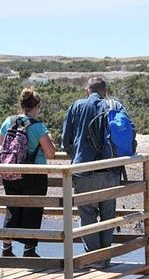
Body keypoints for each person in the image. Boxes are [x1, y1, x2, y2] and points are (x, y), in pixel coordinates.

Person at [61, 76, 132, 264]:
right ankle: (105, 259)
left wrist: (77, 152)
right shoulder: (115, 105)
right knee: (108, 216)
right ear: (105, 91)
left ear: (87, 91)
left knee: (88, 215)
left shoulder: (77, 106)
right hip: (111, 171)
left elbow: (65, 141)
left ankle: (94, 260)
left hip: (84, 171)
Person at [0, 88, 57, 257]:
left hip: (10, 172)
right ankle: (29, 250)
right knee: (33, 210)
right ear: (36, 106)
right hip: (34, 174)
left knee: (13, 208)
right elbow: (51, 153)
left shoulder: (8, 121)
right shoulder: (38, 126)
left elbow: (3, 145)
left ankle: (6, 248)